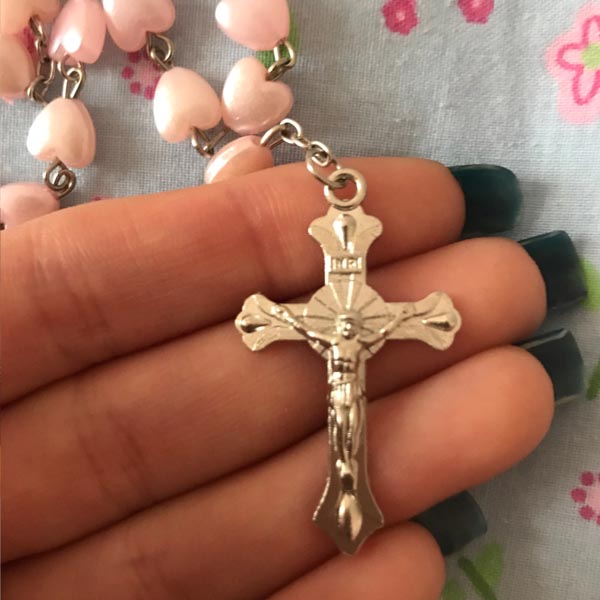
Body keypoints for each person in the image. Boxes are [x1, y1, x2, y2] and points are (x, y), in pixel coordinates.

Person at [1, 158, 554, 599]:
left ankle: (351, 496)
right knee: (349, 427)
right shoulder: (316, 318)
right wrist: (280, 320)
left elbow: (435, 317)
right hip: (338, 377)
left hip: (353, 377)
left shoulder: (371, 316)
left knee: (360, 427)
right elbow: (260, 318)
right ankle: (350, 496)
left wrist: (398, 319)